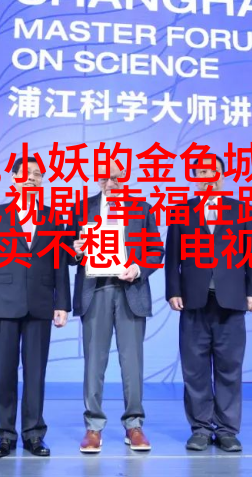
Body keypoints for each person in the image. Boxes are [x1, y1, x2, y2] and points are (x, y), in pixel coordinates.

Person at [164, 153, 252, 452]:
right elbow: (173, 256)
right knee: (194, 369)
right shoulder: (181, 211)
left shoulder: (240, 210)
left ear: (222, 176)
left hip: (231, 303)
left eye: (212, 171)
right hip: (193, 302)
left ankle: (228, 430)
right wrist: (173, 291)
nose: (208, 177)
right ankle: (201, 429)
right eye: (201, 172)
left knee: (229, 368)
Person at [0, 156, 70, 458]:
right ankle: (5, 435)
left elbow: (60, 263)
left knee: (35, 374)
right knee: (5, 373)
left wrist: (62, 303)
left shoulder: (52, 217)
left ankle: (34, 434)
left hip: (40, 305)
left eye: (37, 174)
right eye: (25, 173)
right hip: (3, 305)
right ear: (13, 178)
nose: (31, 178)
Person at [67, 159, 164, 453]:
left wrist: (138, 268)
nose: (111, 183)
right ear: (98, 180)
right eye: (105, 178)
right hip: (95, 291)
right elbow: (68, 252)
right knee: (94, 362)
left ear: (126, 178)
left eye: (117, 178)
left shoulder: (142, 209)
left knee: (132, 362)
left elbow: (156, 250)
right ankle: (93, 427)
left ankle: (134, 425)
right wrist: (77, 249)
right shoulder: (81, 208)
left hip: (129, 291)